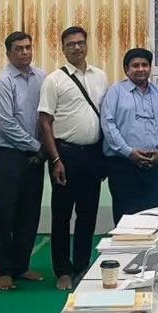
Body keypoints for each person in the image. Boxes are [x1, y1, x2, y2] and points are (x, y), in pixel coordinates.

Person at [38, 26, 108, 291]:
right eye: (71, 44)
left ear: (87, 44)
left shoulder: (100, 76)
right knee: (61, 215)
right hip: (64, 155)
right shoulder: (54, 80)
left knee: (88, 214)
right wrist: (55, 159)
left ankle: (81, 265)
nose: (76, 47)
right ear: (63, 48)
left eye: (80, 43)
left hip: (93, 154)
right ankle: (63, 270)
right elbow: (45, 122)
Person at [0, 31, 48, 291]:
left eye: (28, 47)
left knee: (30, 212)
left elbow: (47, 115)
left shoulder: (42, 77)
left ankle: (22, 266)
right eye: (19, 48)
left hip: (35, 156)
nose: (25, 52)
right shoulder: (1, 82)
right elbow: (6, 124)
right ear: (8, 52)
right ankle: (4, 271)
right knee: (5, 214)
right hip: (7, 155)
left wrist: (43, 148)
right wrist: (38, 146)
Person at [102, 48, 158, 220]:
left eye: (145, 65)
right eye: (135, 65)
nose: (141, 69)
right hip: (123, 165)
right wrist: (129, 152)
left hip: (154, 164)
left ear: (150, 68)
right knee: (125, 217)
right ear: (126, 69)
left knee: (154, 216)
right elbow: (108, 125)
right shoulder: (115, 92)